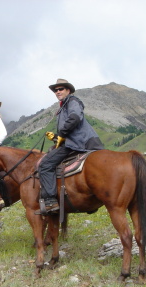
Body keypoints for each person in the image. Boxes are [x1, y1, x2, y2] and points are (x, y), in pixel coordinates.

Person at [37, 79, 104, 214]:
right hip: (77, 140)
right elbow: (71, 129)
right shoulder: (64, 105)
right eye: (56, 90)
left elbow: (74, 119)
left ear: (68, 90)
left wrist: (61, 133)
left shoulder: (72, 102)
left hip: (79, 143)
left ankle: (50, 201)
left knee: (44, 165)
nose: (58, 92)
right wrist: (56, 137)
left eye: (61, 89)